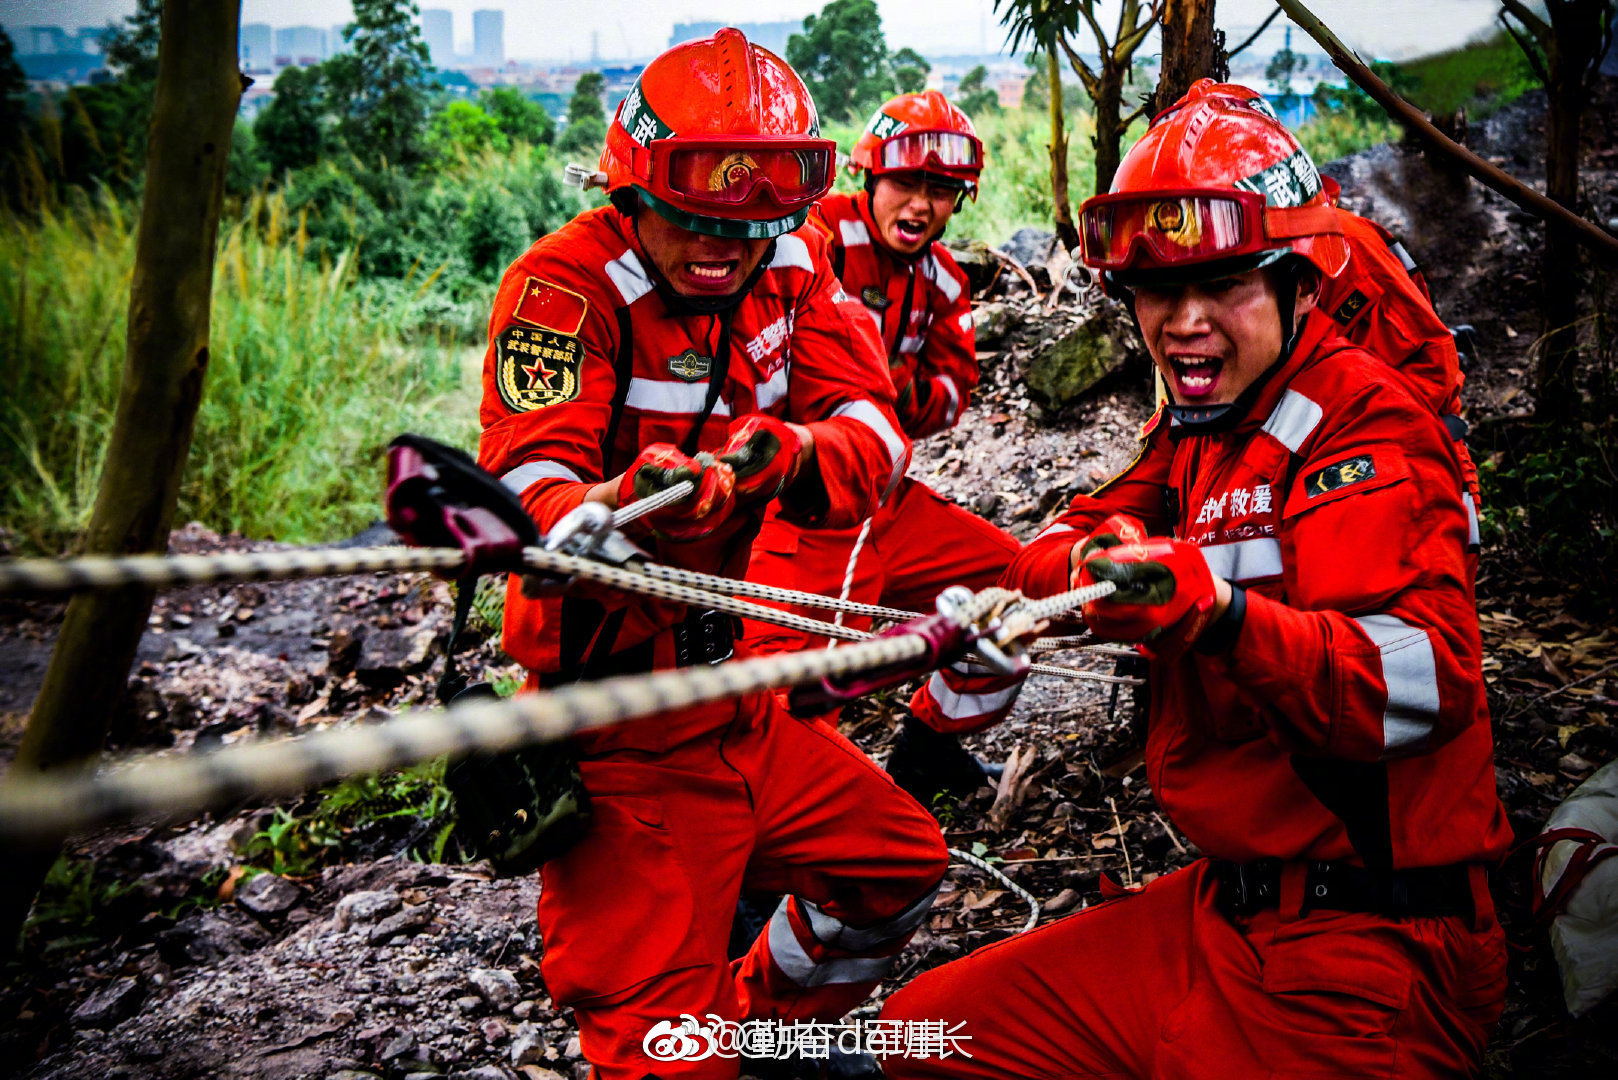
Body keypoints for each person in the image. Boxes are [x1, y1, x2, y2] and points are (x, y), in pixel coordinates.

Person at [880, 79, 1512, 1079]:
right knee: (923, 1035)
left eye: (1223, 284)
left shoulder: (1366, 430)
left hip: (1366, 961)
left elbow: (1423, 683)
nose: (1182, 322)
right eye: (1156, 292)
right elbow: (1062, 542)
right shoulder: (1200, 428)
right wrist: (1103, 568)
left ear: (1300, 281)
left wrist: (1218, 619)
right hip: (1223, 915)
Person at [476, 30, 947, 1079]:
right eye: (694, 218)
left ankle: (765, 1032)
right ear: (631, 189)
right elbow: (524, 481)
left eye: (750, 222)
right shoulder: (561, 290)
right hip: (612, 724)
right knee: (657, 1050)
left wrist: (796, 457)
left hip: (735, 695)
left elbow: (875, 430)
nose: (723, 248)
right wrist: (611, 505)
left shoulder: (792, 265)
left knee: (901, 869)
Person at [740, 90, 1020, 804]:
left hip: (889, 502)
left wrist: (886, 392)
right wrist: (873, 395)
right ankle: (763, 860)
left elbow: (955, 390)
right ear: (869, 176)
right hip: (805, 509)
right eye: (907, 183)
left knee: (1016, 586)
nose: (922, 206)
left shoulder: (944, 278)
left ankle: (928, 751)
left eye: (941, 191)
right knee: (791, 691)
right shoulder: (813, 235)